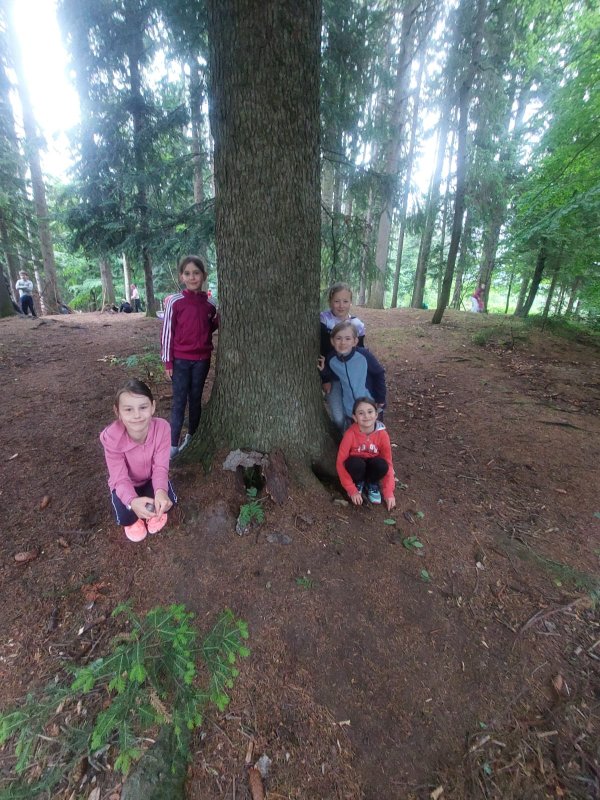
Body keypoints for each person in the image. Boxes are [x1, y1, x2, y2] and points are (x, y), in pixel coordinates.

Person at [100, 379, 177, 542]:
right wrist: (132, 501)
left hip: (150, 478)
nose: (137, 415)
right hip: (126, 483)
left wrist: (160, 491)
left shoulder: (162, 428)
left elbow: (160, 467)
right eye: (128, 409)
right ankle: (134, 521)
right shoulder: (112, 438)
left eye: (143, 407)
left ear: (153, 407)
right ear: (117, 412)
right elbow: (119, 478)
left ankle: (153, 511)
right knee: (125, 516)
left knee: (167, 501)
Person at [161, 255, 218, 458]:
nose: (192, 277)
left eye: (196, 273)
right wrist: (168, 362)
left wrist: (218, 320)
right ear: (181, 277)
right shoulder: (175, 302)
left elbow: (208, 327)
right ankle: (172, 445)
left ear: (203, 276)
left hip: (202, 361)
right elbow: (167, 333)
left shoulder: (210, 304)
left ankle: (192, 437)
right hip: (180, 361)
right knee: (179, 401)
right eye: (187, 273)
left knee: (195, 399)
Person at [318, 320, 386, 432]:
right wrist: (324, 373)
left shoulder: (363, 355)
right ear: (332, 341)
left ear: (355, 341)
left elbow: (379, 374)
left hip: (371, 404)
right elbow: (334, 376)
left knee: (374, 434)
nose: (343, 342)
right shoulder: (332, 359)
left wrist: (380, 398)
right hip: (350, 408)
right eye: (338, 338)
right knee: (356, 434)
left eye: (347, 338)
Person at [319, 283, 366, 430]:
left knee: (352, 414)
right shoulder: (324, 320)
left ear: (351, 302)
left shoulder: (357, 324)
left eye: (345, 301)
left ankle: (350, 441)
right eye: (337, 301)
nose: (341, 305)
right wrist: (325, 379)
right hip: (332, 378)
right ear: (330, 302)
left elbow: (360, 354)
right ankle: (344, 437)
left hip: (351, 379)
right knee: (338, 418)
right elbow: (322, 351)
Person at [337, 397, 396, 509]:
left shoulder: (382, 435)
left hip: (372, 465)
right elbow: (340, 463)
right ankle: (358, 483)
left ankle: (372, 484)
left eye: (370, 412)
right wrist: (351, 489)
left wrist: (389, 492)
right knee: (354, 463)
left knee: (382, 464)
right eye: (361, 413)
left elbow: (388, 463)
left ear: (376, 414)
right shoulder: (350, 434)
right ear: (355, 417)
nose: (366, 416)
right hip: (357, 466)